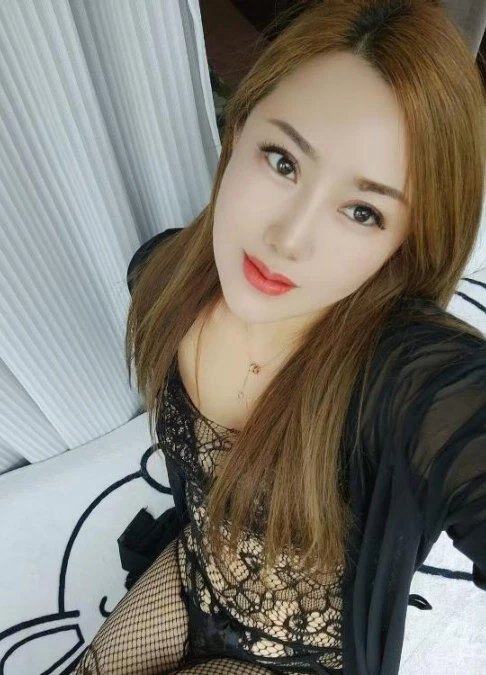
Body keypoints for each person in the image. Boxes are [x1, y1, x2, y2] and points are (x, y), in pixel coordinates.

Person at [74, 1, 486, 673]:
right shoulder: (158, 275)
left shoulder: (408, 380)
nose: (288, 239)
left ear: (407, 243)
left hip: (298, 652)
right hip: (197, 573)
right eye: (283, 161)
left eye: (363, 211)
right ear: (237, 132)